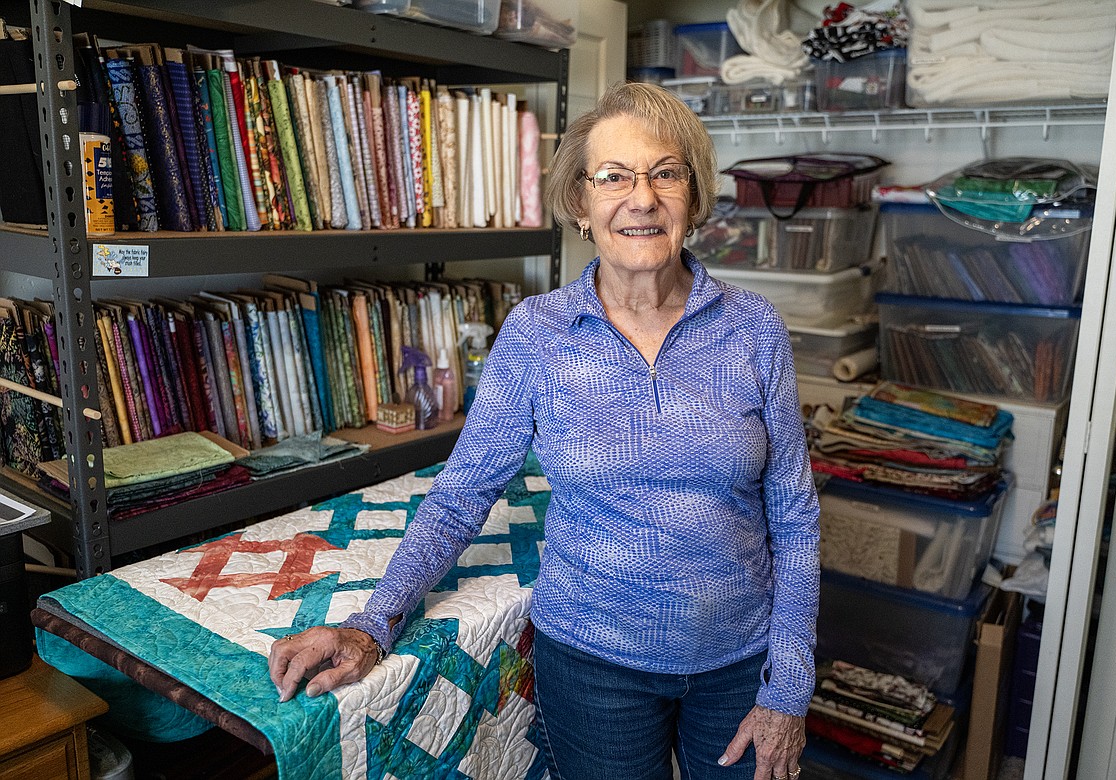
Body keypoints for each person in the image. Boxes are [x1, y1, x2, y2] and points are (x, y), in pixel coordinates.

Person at [269, 81, 820, 780]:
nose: (642, 198)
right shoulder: (537, 332)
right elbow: (461, 494)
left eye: (666, 173)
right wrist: (373, 624)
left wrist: (789, 687)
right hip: (592, 669)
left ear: (695, 195)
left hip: (740, 663)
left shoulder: (754, 328)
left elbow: (795, 516)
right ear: (581, 206)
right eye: (613, 176)